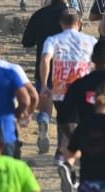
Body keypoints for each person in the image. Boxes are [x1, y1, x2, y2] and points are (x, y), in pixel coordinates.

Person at [38, 9, 97, 166]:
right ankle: (70, 154)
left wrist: (44, 84)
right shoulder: (90, 40)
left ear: (61, 23)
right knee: (80, 121)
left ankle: (61, 153)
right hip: (84, 88)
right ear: (80, 23)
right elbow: (99, 61)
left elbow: (45, 59)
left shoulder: (53, 40)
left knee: (64, 120)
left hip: (60, 88)